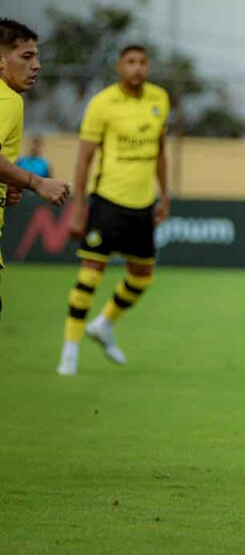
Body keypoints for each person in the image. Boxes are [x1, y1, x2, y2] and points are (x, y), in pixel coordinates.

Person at [56, 45, 171, 376]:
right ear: (120, 66)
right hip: (107, 200)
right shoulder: (102, 103)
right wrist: (79, 205)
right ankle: (70, 351)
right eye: (130, 62)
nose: (137, 68)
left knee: (142, 277)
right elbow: (84, 158)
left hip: (142, 204)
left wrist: (165, 195)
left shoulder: (159, 99)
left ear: (148, 67)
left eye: (143, 62)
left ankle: (104, 324)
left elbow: (160, 152)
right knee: (90, 274)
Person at [0, 19, 71, 319]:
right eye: (27, 57)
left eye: (37, 56)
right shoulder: (7, 99)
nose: (37, 65)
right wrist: (35, 182)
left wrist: (6, 183)